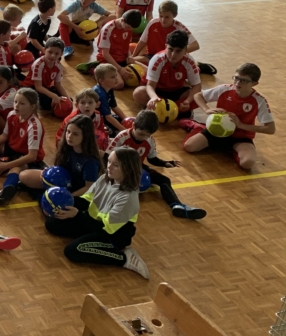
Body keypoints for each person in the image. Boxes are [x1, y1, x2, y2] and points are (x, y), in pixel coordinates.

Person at [45, 147, 150, 278]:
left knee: (73, 250)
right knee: (52, 223)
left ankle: (123, 259)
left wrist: (77, 215)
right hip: (92, 221)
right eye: (109, 161)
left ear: (128, 169)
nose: (109, 167)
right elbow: (87, 200)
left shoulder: (128, 198)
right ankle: (87, 237)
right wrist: (63, 204)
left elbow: (105, 228)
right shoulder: (105, 178)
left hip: (111, 235)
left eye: (116, 165)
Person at [110, 109, 206, 220]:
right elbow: (107, 157)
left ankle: (177, 205)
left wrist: (165, 163)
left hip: (138, 167)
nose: (143, 138)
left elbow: (152, 159)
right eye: (141, 134)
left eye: (146, 135)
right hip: (120, 168)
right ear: (134, 126)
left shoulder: (150, 140)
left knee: (164, 180)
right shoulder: (122, 137)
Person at [181, 63, 275, 171]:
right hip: (216, 130)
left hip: (241, 136)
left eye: (243, 80)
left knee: (247, 163)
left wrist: (241, 125)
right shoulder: (225, 89)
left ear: (254, 83)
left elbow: (270, 129)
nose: (237, 83)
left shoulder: (259, 101)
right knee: (189, 147)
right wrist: (206, 109)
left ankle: (232, 149)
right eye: (236, 78)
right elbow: (198, 95)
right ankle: (198, 127)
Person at [133, 30, 201, 111]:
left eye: (178, 51)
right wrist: (154, 97)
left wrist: (187, 101)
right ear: (165, 47)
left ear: (186, 50)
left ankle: (165, 108)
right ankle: (174, 109)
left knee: (200, 95)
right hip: (158, 90)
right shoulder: (157, 59)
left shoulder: (190, 62)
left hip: (176, 91)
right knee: (138, 93)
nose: (173, 55)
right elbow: (150, 85)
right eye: (170, 49)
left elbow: (197, 86)